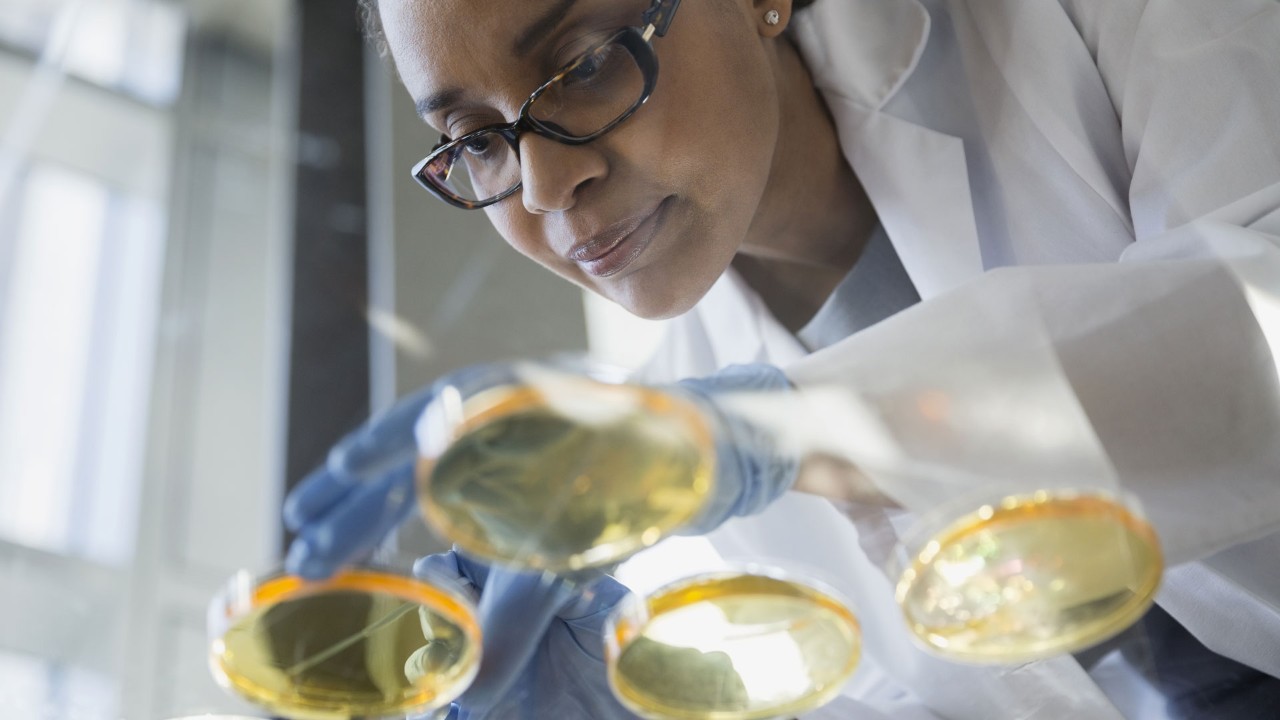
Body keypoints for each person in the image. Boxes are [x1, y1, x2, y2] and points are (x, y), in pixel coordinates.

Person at [284, 0, 1280, 718]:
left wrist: (798, 427)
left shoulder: (1086, 19)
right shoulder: (689, 423)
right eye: (474, 140)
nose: (545, 185)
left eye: (584, 61)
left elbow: (1257, 326)